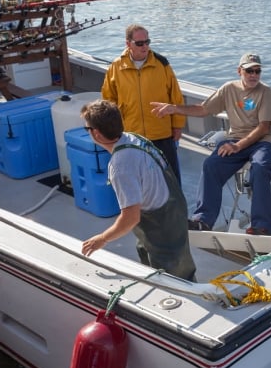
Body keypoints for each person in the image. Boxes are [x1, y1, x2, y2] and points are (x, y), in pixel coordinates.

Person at [150, 53, 271, 235]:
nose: (254, 75)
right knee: (211, 165)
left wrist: (237, 146)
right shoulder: (228, 88)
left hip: (263, 142)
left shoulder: (265, 91)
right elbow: (203, 109)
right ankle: (202, 220)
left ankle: (261, 227)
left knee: (259, 168)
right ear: (239, 71)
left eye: (258, 71)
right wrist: (174, 108)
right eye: (249, 70)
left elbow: (264, 127)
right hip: (236, 139)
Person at [80, 100, 196, 281]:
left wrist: (102, 239)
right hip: (172, 209)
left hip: (162, 226)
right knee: (154, 263)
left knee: (176, 280)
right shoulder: (134, 138)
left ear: (96, 133)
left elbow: (131, 218)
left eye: (86, 129)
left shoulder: (120, 165)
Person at [101, 24, 185, 182]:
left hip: (161, 133)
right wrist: (113, 129)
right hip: (131, 134)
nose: (145, 46)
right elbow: (108, 100)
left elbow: (176, 97)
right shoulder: (116, 67)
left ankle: (175, 206)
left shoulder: (162, 64)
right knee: (137, 178)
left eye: (147, 42)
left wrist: (177, 126)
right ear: (128, 44)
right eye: (140, 43)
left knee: (170, 178)